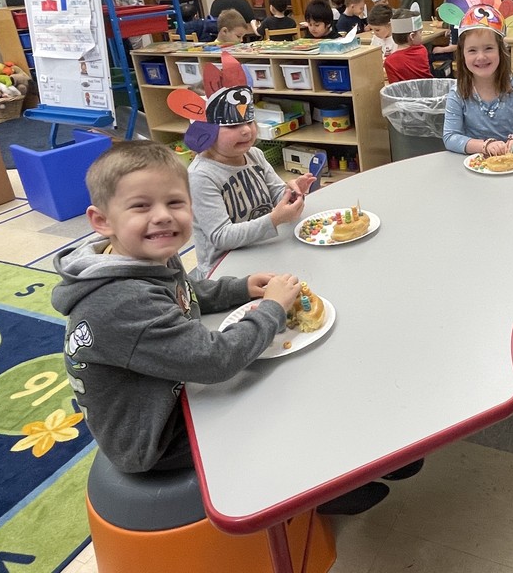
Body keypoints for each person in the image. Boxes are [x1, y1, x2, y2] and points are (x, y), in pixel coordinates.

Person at [53, 140, 390, 514]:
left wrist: (240, 288)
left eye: (175, 203)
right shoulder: (121, 302)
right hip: (156, 438)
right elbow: (216, 362)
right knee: (276, 401)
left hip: (166, 394)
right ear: (101, 220)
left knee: (280, 376)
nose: (163, 216)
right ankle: (315, 493)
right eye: (141, 206)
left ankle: (357, 461)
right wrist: (272, 309)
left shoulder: (139, 256)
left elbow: (186, 291)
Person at [167, 54, 315, 279]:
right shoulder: (201, 176)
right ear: (206, 131)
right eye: (234, 125)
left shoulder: (254, 154)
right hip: (224, 273)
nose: (246, 130)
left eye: (249, 121)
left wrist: (291, 192)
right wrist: (275, 219)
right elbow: (221, 236)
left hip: (263, 249)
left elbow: (275, 192)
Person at [443, 3, 513, 156]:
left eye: (489, 48)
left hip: (512, 165)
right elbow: (450, 137)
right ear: (463, 55)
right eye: (472, 50)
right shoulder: (458, 93)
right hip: (474, 165)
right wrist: (484, 146)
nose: (481, 57)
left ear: (501, 51)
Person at [383, 8, 432, 83]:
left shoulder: (389, 61)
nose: (421, 35)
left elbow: (393, 88)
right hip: (428, 92)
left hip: (403, 94)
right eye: (420, 32)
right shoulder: (422, 50)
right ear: (412, 36)